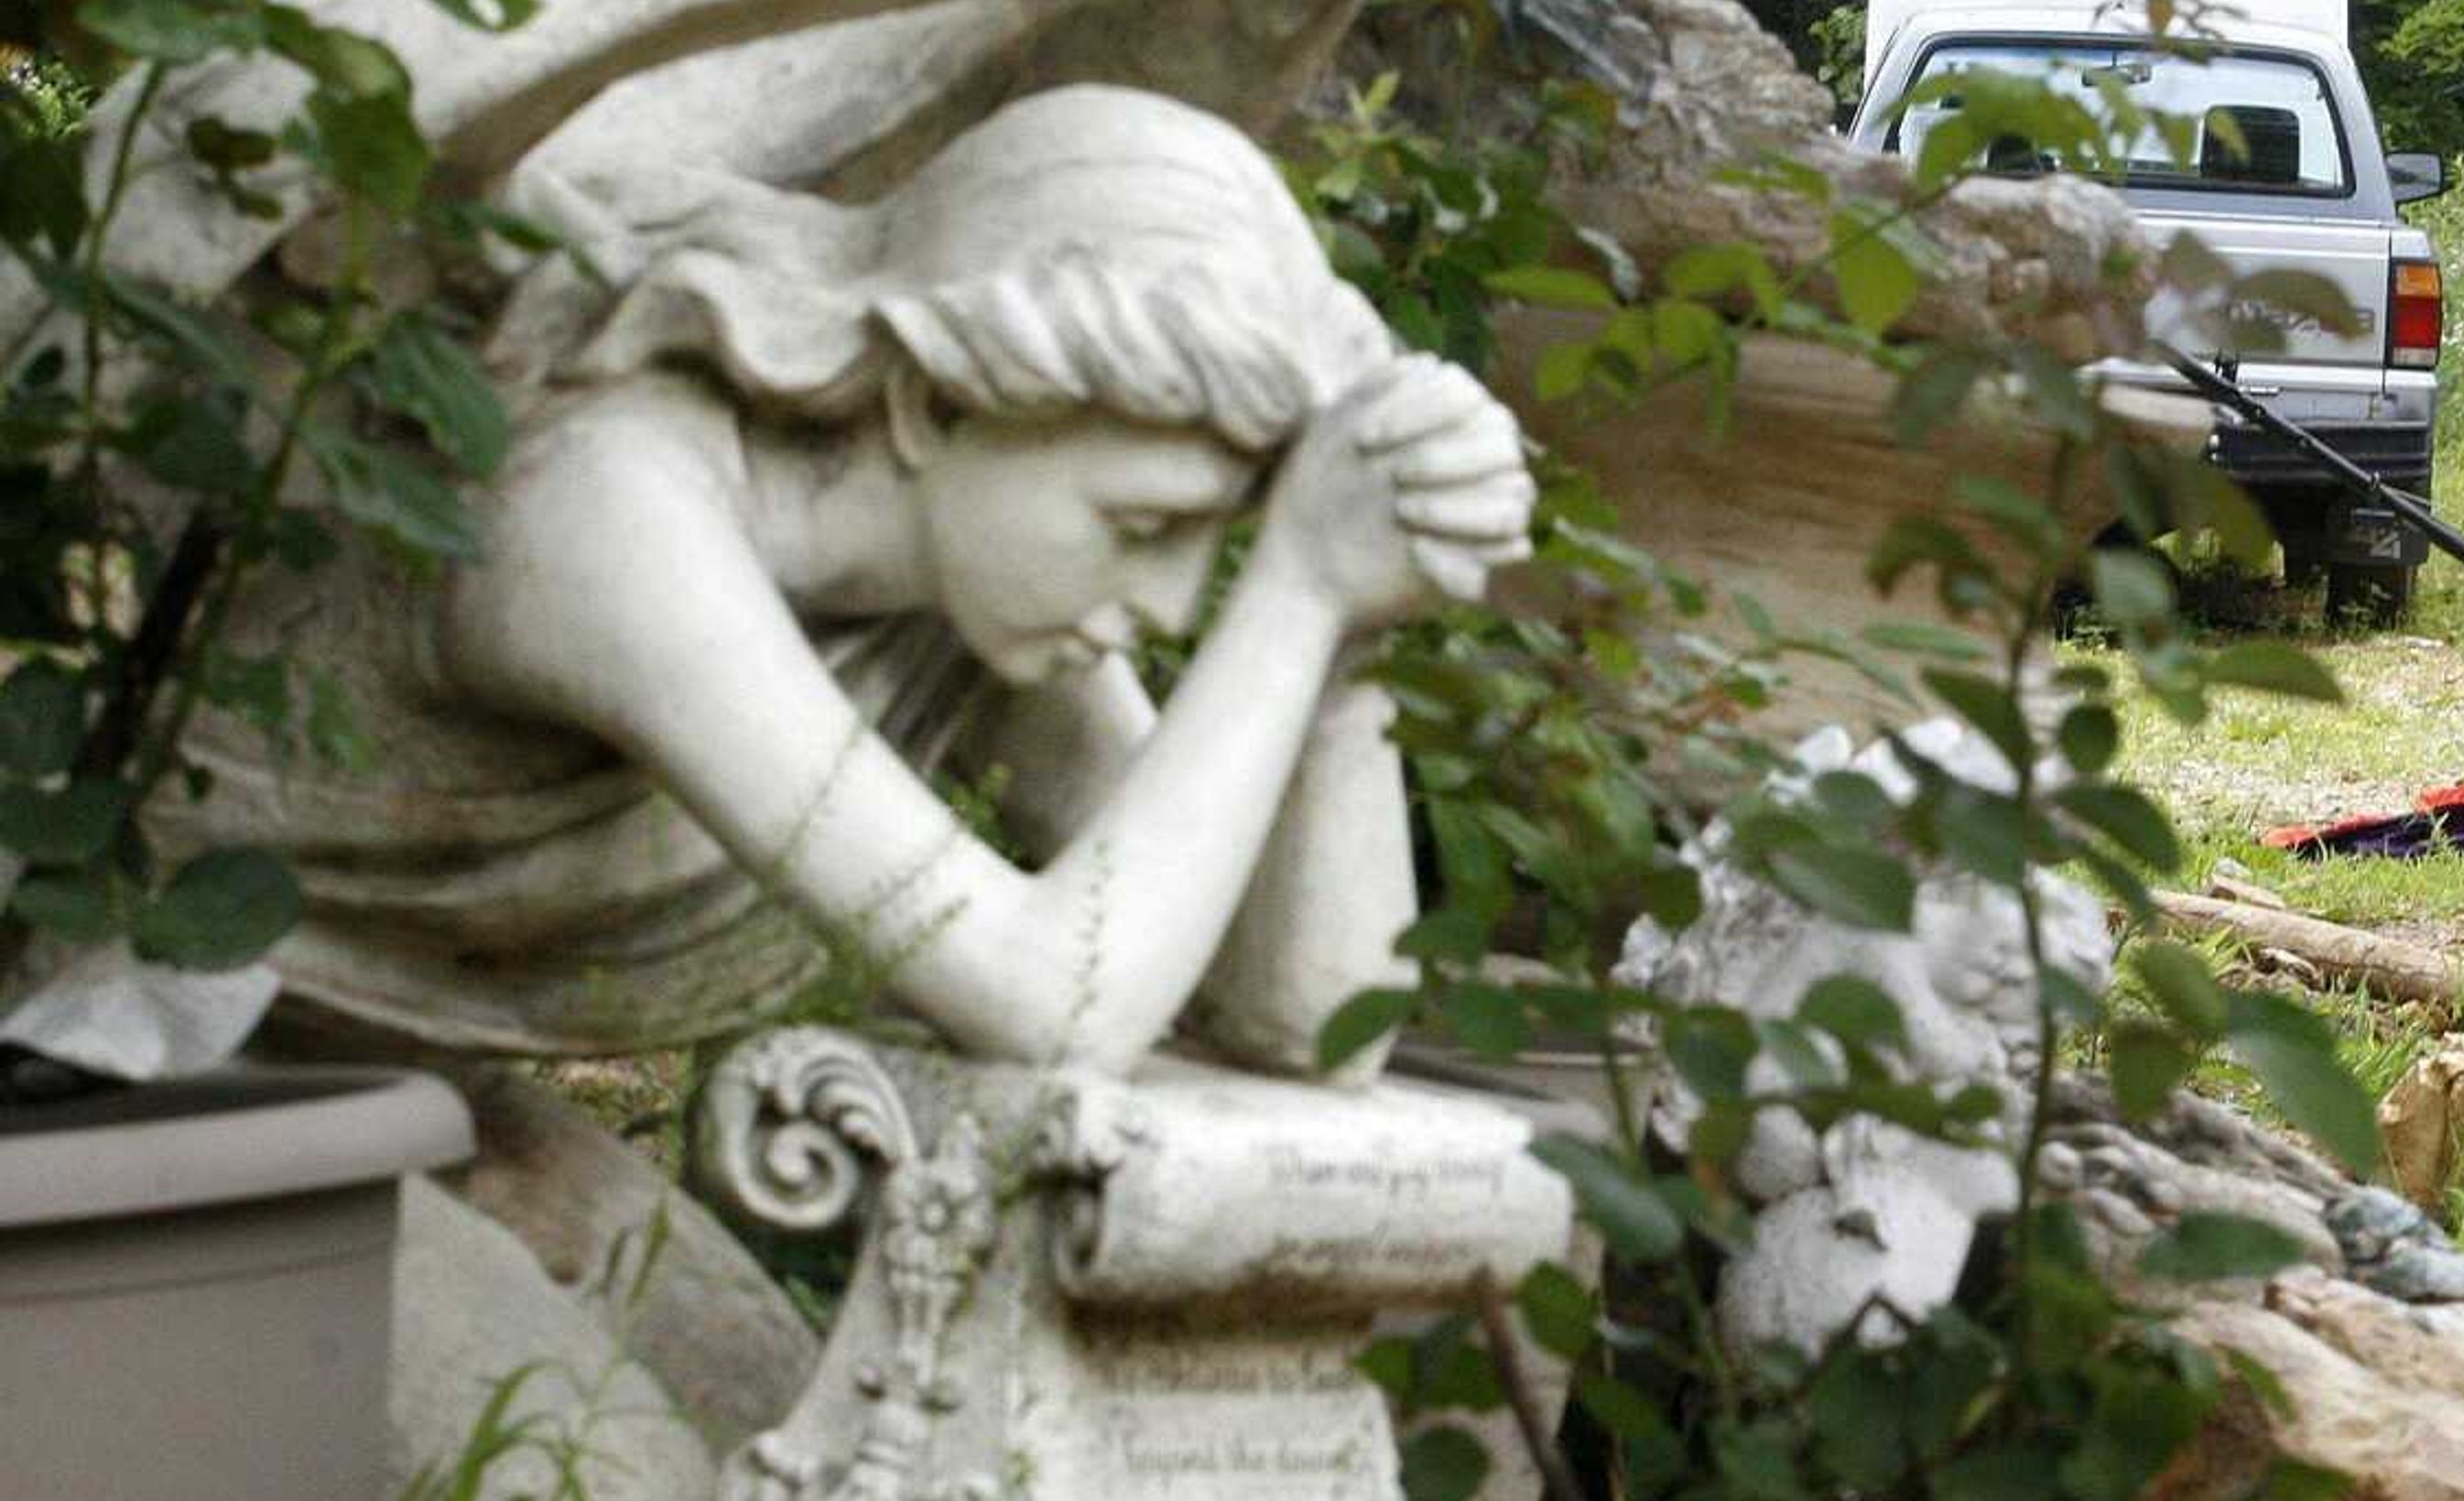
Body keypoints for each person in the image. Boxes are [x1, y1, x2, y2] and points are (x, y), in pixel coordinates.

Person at [189, 82, 1530, 1071]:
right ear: (935, 404)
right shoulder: (608, 515)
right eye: (1138, 522)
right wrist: (1291, 593)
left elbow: (1307, 1027)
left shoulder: (949, 586)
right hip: (129, 1065)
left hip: (371, 1093)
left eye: (1213, 546)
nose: (1173, 608)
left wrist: (1350, 652)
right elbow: (1051, 1000)